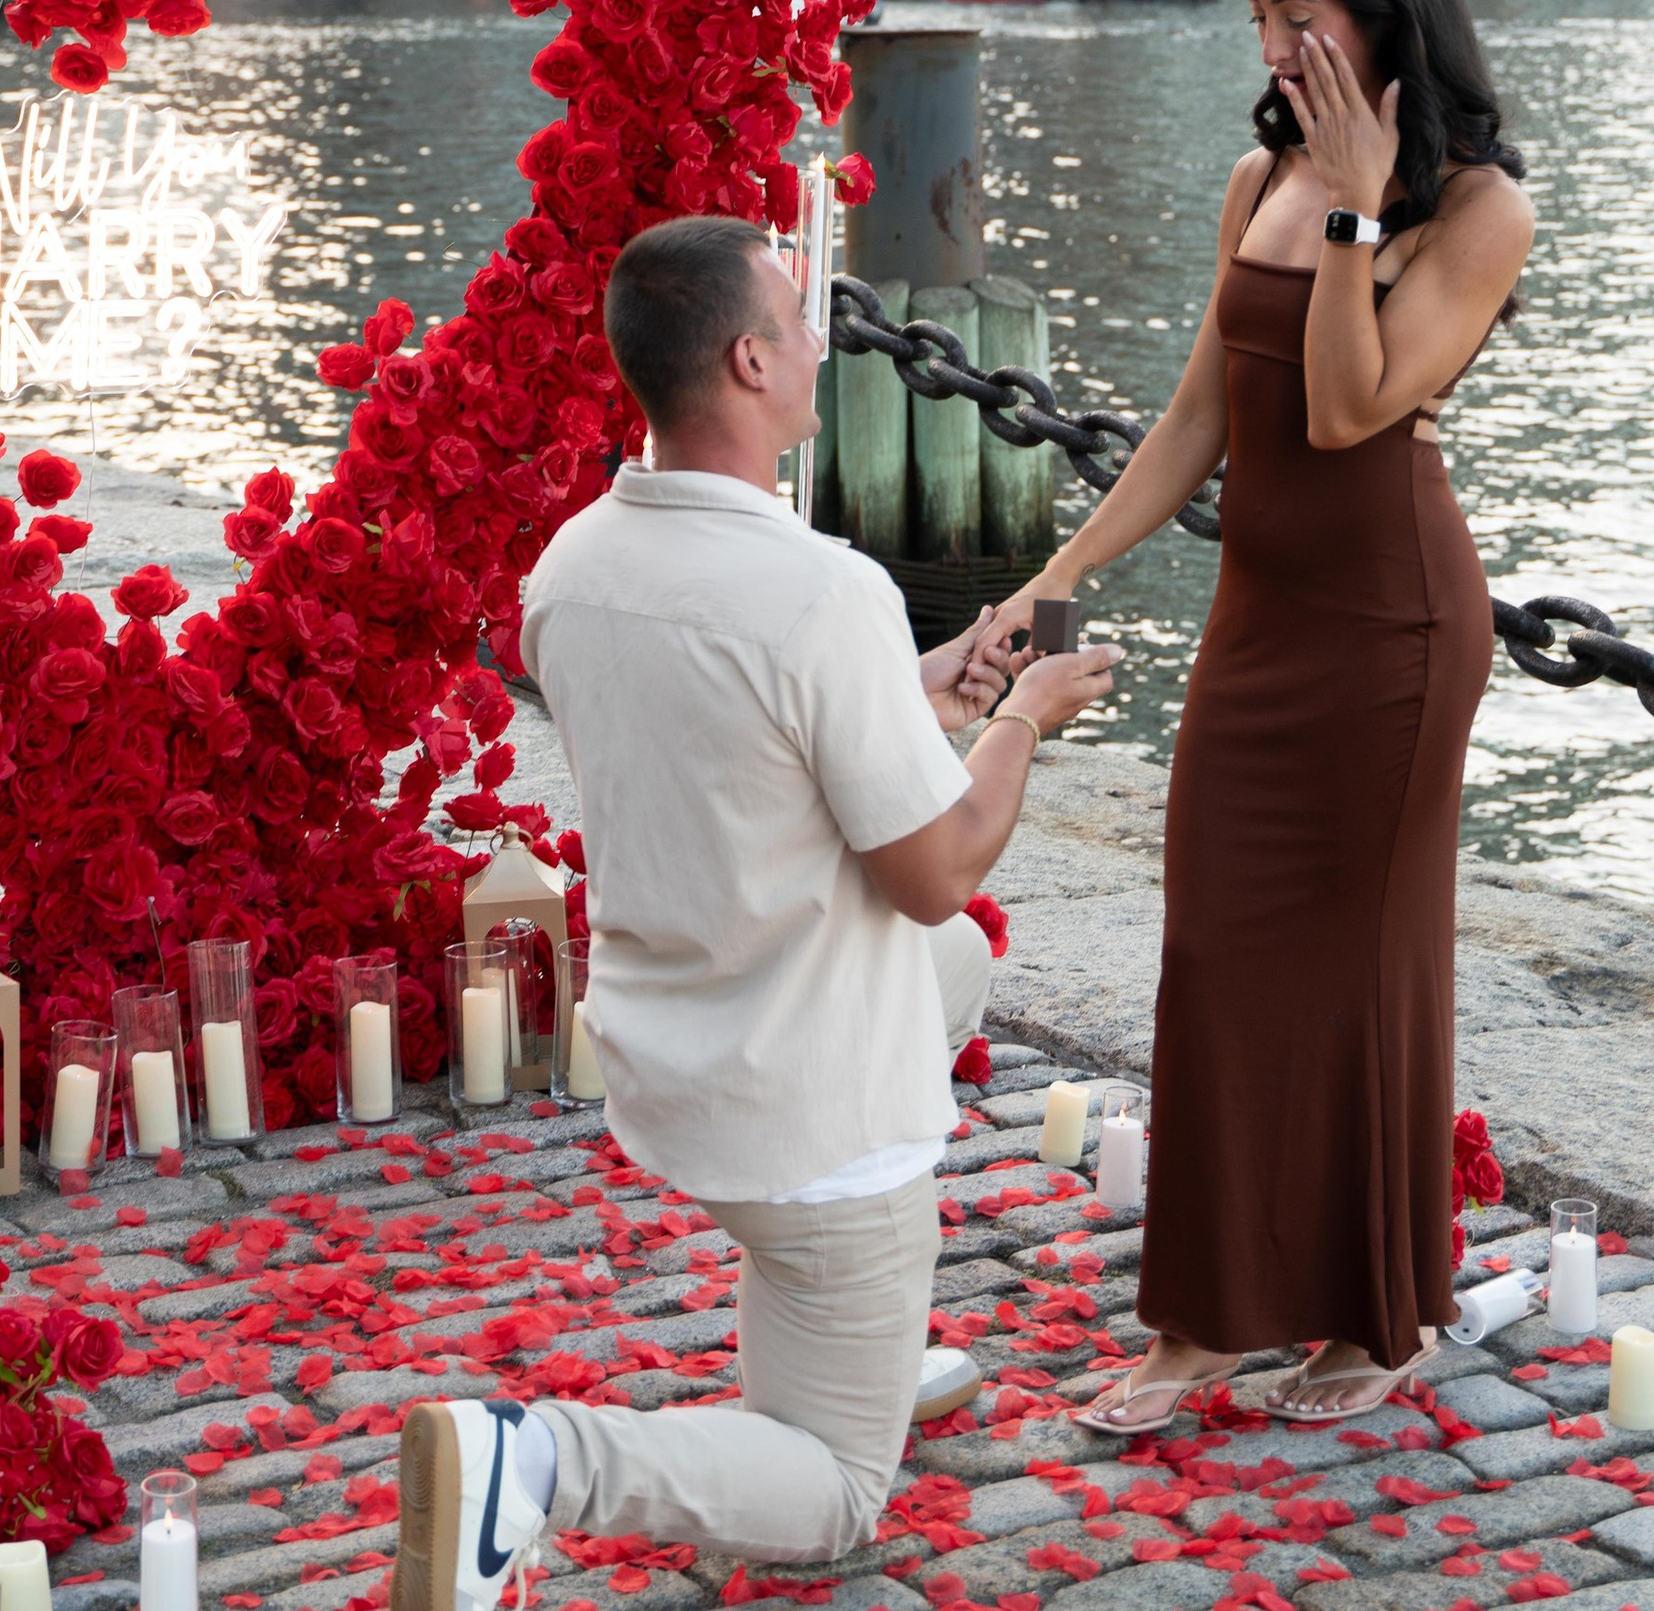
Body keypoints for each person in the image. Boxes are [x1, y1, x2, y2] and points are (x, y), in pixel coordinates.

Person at [391, 214, 1121, 1611]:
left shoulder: (574, 567)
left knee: (953, 971)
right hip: (810, 1103)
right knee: (839, 1491)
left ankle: (858, 1331)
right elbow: (933, 869)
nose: (817, 341)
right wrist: (1019, 717)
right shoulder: (819, 591)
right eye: (797, 319)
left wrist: (926, 680)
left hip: (681, 1053)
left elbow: (736, 733)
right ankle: (534, 1462)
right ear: (746, 360)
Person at [993, 0, 1533, 1433]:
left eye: (1304, 14)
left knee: (1367, 971)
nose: (1280, 44)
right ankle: (1209, 1320)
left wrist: (1364, 213)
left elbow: (1356, 404)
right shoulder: (1255, 180)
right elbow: (1198, 424)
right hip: (1263, 622)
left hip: (1394, 630)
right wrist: (1053, 579)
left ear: (1385, 13)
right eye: (1259, 19)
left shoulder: (1481, 210)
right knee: (1216, 957)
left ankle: (1374, 1321)